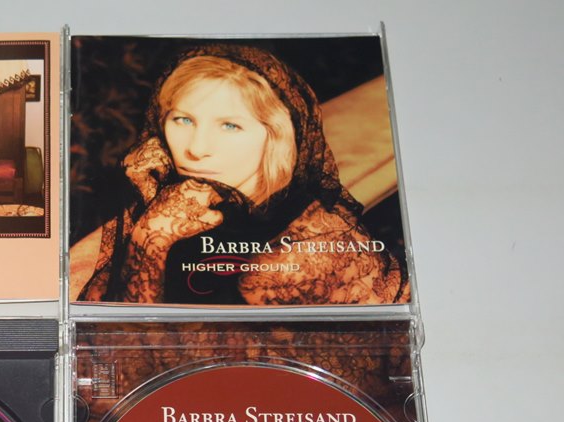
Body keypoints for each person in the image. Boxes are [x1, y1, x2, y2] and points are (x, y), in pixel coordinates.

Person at [72, 46, 408, 305]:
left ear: (275, 136)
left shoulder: (294, 257)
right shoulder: (183, 198)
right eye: (183, 120)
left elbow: (144, 359)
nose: (196, 149)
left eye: (230, 126)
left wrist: (150, 240)